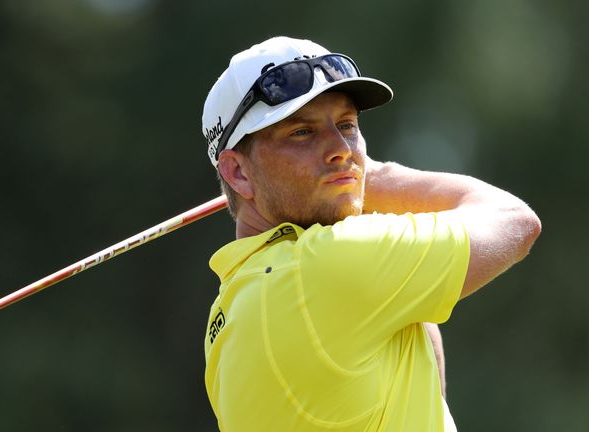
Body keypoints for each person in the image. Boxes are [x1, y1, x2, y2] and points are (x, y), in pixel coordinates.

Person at [200, 36, 541, 431]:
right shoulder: (326, 267)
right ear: (238, 172)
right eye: (302, 133)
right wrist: (376, 178)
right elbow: (514, 219)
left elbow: (412, 334)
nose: (342, 149)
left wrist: (345, 187)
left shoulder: (229, 309)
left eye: (346, 125)